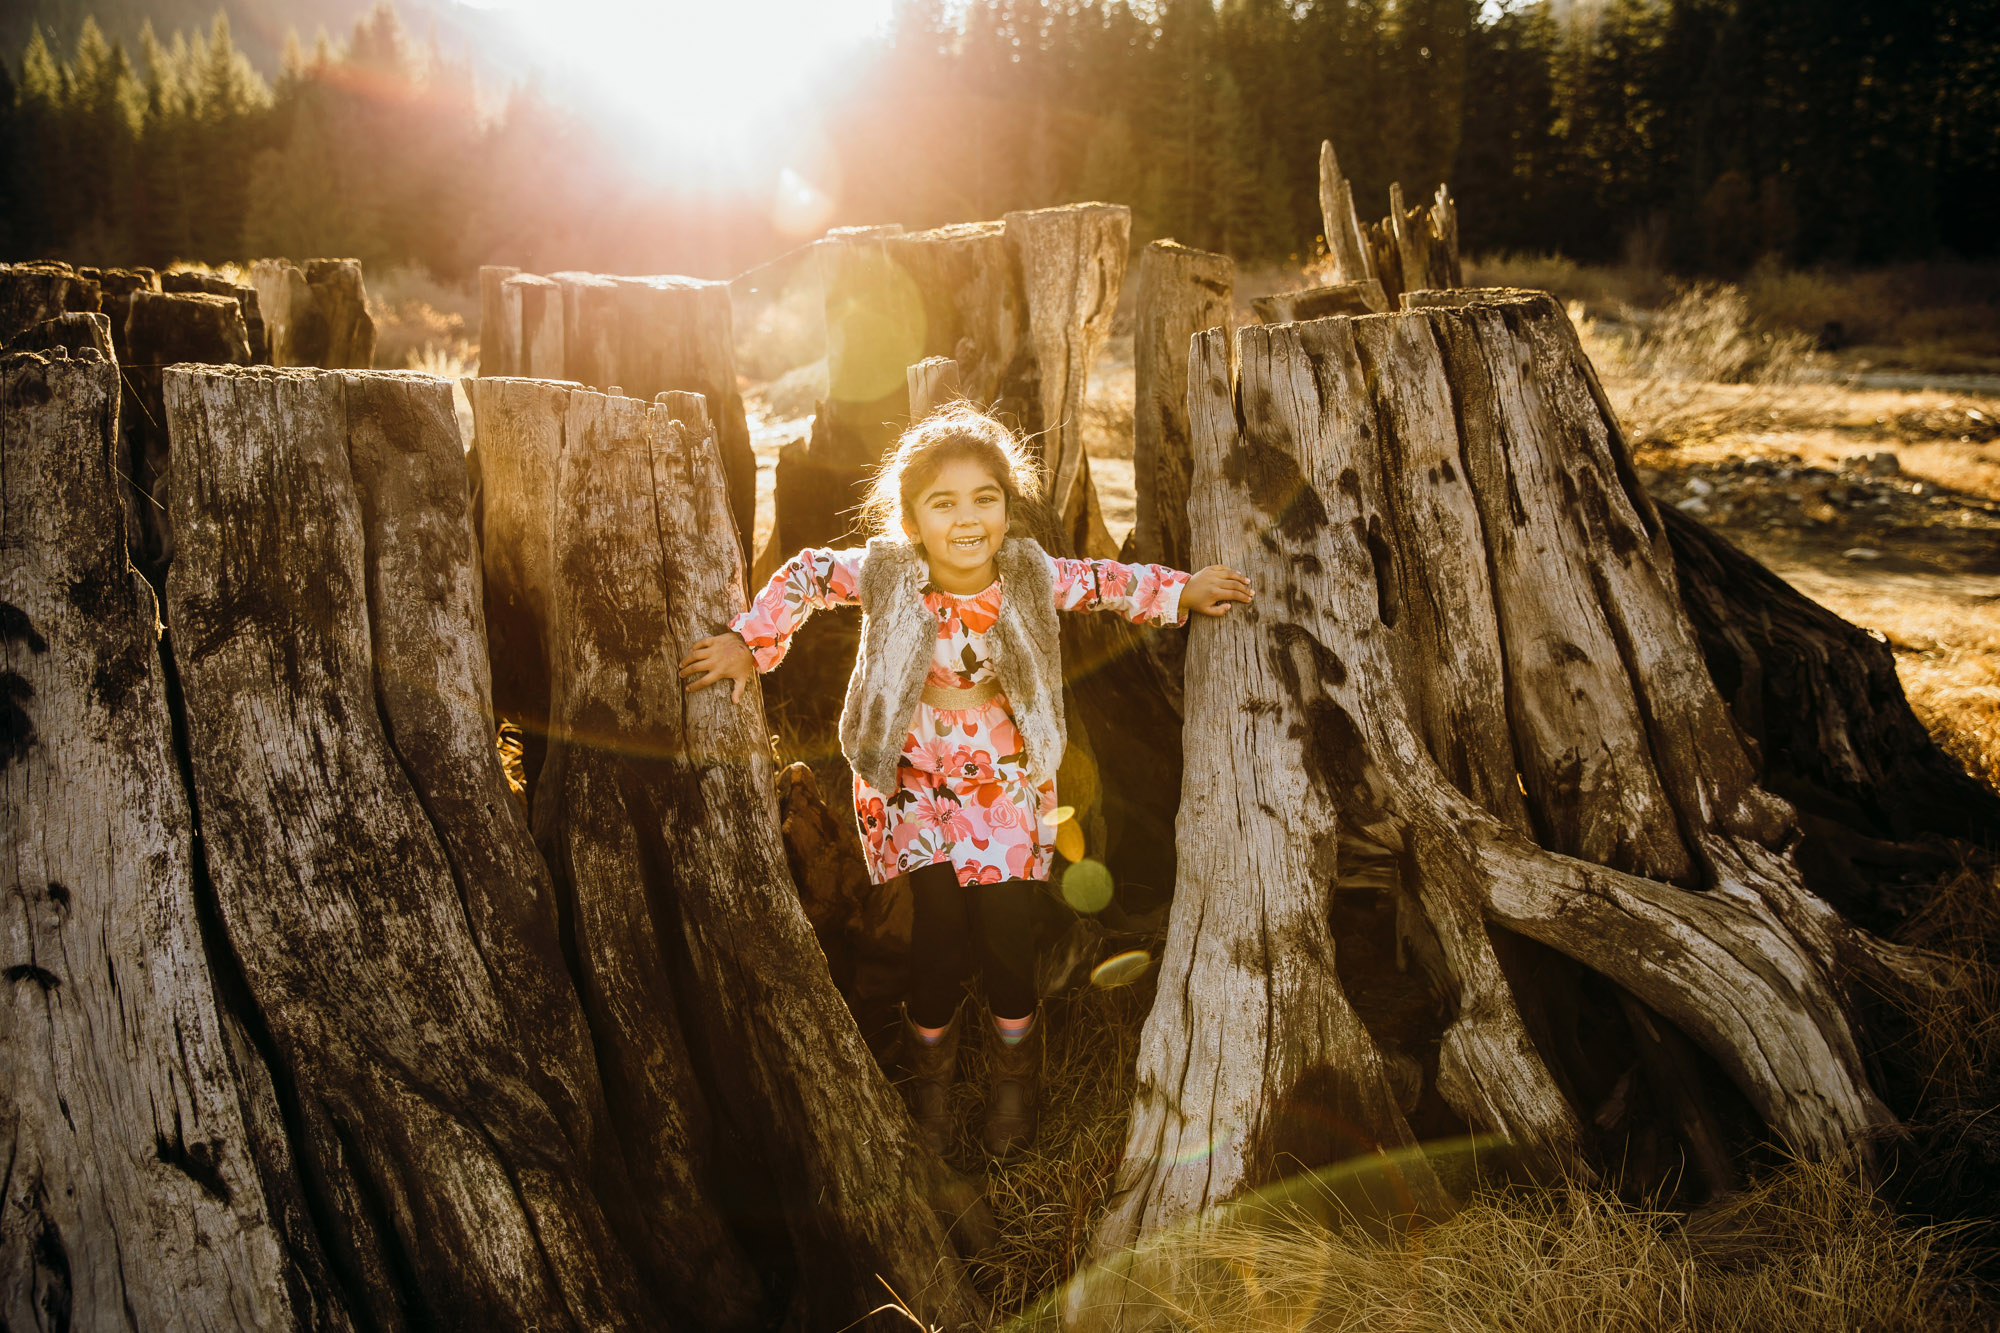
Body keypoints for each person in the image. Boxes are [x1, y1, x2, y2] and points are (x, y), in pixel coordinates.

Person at [677, 404, 1253, 1161]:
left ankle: (1016, 1079)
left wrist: (1181, 591)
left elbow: (1104, 581)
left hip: (1006, 787)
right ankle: (933, 1091)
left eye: (985, 498)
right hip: (913, 784)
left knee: (1006, 936)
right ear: (912, 519)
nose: (967, 517)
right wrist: (749, 644)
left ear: (1008, 510)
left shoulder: (1026, 572)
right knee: (938, 940)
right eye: (942, 503)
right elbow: (809, 573)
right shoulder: (888, 573)